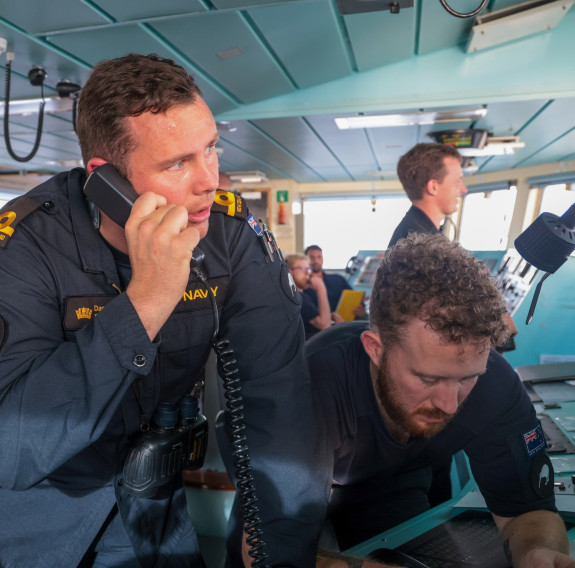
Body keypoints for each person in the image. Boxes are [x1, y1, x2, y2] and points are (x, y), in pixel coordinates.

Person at [0, 53, 326, 567]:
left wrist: (274, 542)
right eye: (177, 164)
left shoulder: (229, 237)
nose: (208, 182)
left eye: (211, 149)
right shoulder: (23, 249)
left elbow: (279, 406)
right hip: (39, 533)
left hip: (157, 523)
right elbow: (12, 447)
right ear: (106, 180)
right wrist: (145, 303)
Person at [307, 234, 572, 566]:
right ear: (376, 349)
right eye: (428, 378)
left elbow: (528, 509)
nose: (449, 404)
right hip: (313, 491)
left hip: (396, 485)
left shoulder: (494, 383)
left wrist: (536, 550)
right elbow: (262, 546)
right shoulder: (312, 384)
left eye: (467, 378)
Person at [388, 143, 468, 248]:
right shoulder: (422, 246)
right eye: (457, 181)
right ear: (433, 187)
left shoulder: (414, 232)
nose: (464, 189)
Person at [286, 253, 342, 339]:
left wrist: (330, 315)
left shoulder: (301, 294)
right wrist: (321, 288)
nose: (307, 273)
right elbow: (325, 325)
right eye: (302, 269)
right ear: (289, 271)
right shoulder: (298, 297)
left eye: (308, 269)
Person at [304, 244, 366, 319]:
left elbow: (357, 300)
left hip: (342, 323)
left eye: (319, 257)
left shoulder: (338, 279)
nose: (316, 261)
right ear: (305, 260)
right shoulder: (304, 285)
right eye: (312, 257)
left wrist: (362, 310)